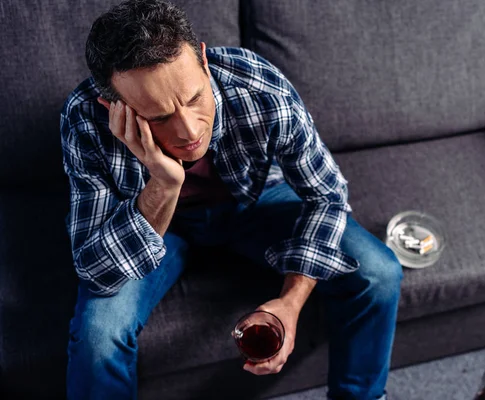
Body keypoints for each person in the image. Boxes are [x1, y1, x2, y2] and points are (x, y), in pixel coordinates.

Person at [61, 0, 403, 399]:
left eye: (193, 99)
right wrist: (163, 181)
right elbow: (96, 270)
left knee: (379, 273)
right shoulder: (85, 118)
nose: (189, 131)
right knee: (98, 334)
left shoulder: (258, 85)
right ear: (113, 107)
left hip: (254, 204)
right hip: (153, 223)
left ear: (204, 62)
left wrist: (291, 303)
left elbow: (327, 195)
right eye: (157, 117)